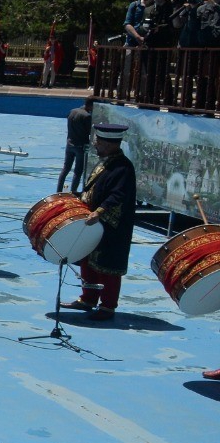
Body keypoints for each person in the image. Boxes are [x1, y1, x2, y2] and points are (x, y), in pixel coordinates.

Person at [63, 123, 136, 322]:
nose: (95, 144)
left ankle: (108, 306)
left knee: (108, 267)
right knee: (88, 261)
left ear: (109, 143)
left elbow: (117, 195)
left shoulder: (123, 167)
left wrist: (99, 212)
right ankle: (88, 298)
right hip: (94, 221)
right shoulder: (104, 162)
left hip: (112, 225)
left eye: (98, 141)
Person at [58, 96, 95, 194]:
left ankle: (58, 191)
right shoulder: (87, 116)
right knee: (78, 171)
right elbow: (90, 132)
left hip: (69, 144)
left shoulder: (72, 111)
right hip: (80, 146)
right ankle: (73, 192)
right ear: (91, 105)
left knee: (65, 168)